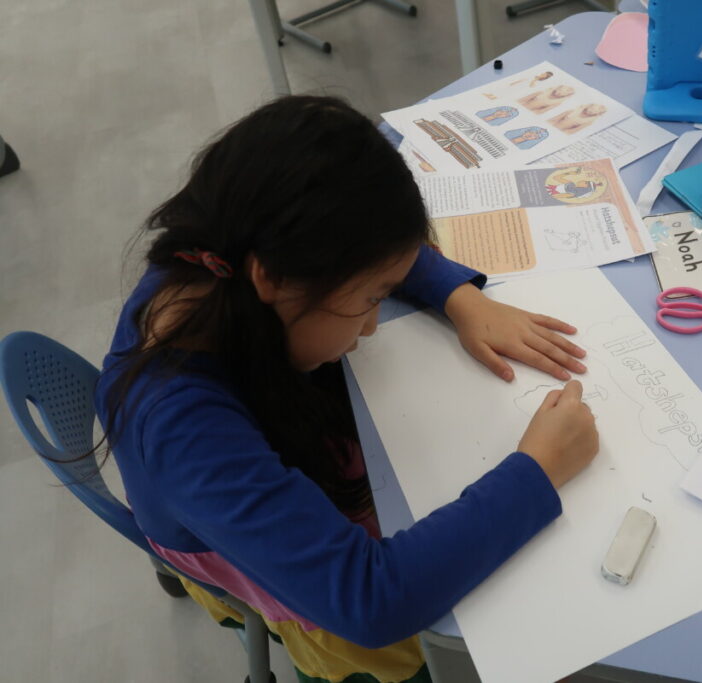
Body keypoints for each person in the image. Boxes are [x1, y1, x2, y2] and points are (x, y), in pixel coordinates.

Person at [95, 96, 599, 683]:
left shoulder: (225, 258)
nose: (371, 326)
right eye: (370, 300)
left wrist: (462, 298)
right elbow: (371, 601)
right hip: (309, 604)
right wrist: (537, 471)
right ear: (275, 279)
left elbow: (364, 242)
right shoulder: (183, 430)